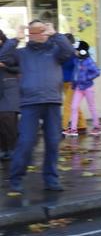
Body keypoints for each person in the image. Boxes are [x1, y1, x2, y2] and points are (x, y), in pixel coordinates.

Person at [6, 21, 74, 193]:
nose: (41, 33)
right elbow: (2, 57)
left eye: (43, 30)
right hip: (30, 103)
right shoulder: (21, 53)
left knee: (52, 142)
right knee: (26, 142)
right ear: (31, 34)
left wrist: (55, 34)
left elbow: (70, 51)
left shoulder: (55, 51)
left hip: (52, 102)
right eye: (36, 30)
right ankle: (16, 178)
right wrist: (15, 38)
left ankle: (51, 179)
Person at [65, 41, 101, 137]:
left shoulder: (88, 61)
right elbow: (75, 73)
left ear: (82, 51)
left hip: (88, 87)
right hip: (78, 88)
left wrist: (86, 78)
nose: (75, 52)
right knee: (74, 107)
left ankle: (97, 127)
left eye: (76, 50)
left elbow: (97, 72)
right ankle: (73, 129)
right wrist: (73, 82)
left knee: (92, 107)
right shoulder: (76, 60)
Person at [0, 29, 20, 163]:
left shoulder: (12, 51)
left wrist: (5, 66)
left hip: (9, 90)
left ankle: (13, 150)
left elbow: (20, 68)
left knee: (9, 121)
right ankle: (3, 150)